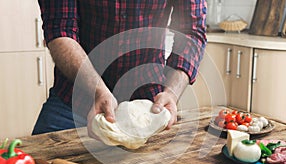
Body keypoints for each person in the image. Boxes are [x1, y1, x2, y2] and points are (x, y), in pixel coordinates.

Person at [32, 0, 207, 140]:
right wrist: (98, 90)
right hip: (73, 101)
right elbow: (60, 31)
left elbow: (192, 31)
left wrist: (172, 93)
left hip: (148, 107)